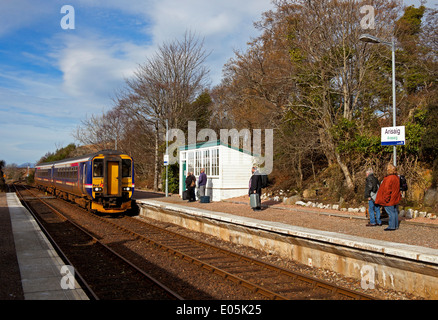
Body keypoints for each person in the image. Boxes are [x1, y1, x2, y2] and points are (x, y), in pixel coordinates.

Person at [375, 163, 402, 231]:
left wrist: (385, 199)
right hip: (395, 197)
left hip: (390, 199)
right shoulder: (396, 178)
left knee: (391, 213)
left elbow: (387, 190)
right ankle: (395, 225)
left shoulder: (388, 179)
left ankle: (391, 226)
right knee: (395, 212)